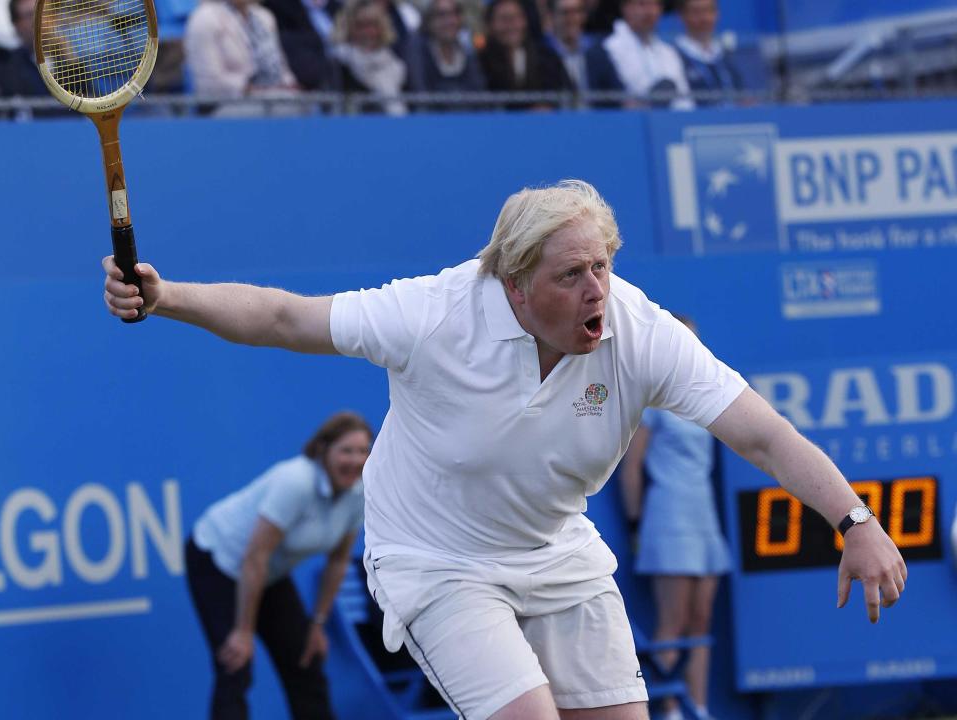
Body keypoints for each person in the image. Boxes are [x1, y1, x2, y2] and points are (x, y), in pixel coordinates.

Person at [103, 179, 907, 720]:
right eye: (570, 276)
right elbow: (285, 319)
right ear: (514, 285)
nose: (596, 289)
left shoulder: (639, 329)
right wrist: (167, 297)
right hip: (434, 560)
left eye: (602, 266)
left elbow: (764, 434)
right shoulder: (434, 314)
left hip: (556, 551)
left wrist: (855, 519)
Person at [184, 412, 372, 719]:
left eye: (363, 451)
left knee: (306, 656)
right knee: (236, 663)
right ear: (323, 450)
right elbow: (254, 557)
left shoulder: (360, 490)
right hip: (218, 560)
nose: (355, 460)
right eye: (346, 450)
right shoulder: (295, 481)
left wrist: (317, 624)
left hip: (266, 572)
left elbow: (338, 561)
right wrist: (243, 631)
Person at [620, 315, 728, 720]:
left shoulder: (704, 399)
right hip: (667, 517)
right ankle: (668, 710)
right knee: (673, 620)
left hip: (703, 517)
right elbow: (632, 469)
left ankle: (697, 708)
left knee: (701, 620)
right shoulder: (652, 401)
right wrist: (635, 524)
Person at [184, 0, 300, 115]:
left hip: (274, 96)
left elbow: (281, 67)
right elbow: (209, 84)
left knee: (303, 104)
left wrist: (289, 84)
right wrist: (251, 88)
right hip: (226, 104)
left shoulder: (265, 17)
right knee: (285, 110)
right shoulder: (204, 18)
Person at [592, 0, 692, 108]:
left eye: (655, 4)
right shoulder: (607, 50)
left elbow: (685, 101)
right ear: (625, 7)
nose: (649, 12)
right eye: (642, 4)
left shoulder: (670, 53)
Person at [479, 0, 571, 110]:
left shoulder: (546, 57)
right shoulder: (481, 62)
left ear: (525, 21)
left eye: (515, 18)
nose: (511, 26)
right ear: (491, 24)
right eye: (504, 19)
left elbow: (565, 93)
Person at [331, 0, 409, 115]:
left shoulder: (396, 64)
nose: (367, 32)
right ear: (348, 28)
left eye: (373, 25)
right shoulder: (339, 63)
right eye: (360, 26)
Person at [406, 0, 486, 101]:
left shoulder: (468, 53)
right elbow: (420, 95)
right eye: (441, 15)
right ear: (429, 20)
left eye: (454, 14)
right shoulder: (417, 53)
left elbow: (479, 95)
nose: (450, 21)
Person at [673, 0, 743, 106]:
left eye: (709, 10)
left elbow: (744, 97)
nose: (704, 18)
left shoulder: (726, 55)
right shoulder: (672, 56)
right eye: (696, 12)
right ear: (681, 15)